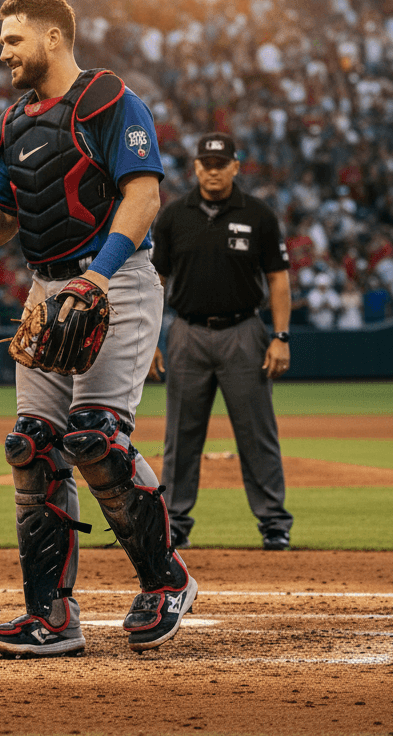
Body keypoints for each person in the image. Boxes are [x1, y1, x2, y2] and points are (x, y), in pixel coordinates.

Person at [0, 0, 196, 657]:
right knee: (31, 445)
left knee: (95, 437)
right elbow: (1, 225)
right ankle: (50, 614)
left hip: (113, 280)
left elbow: (143, 195)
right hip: (47, 289)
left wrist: (97, 277)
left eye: (13, 40)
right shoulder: (13, 123)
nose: (3, 52)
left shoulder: (110, 100)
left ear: (52, 38)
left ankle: (167, 581)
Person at [149, 133, 293, 551]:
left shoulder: (259, 214)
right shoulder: (173, 215)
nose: (213, 171)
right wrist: (150, 340)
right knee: (180, 436)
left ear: (235, 167)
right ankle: (175, 523)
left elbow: (278, 279)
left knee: (257, 434)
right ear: (196, 167)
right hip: (186, 332)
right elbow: (155, 281)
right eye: (206, 164)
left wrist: (281, 336)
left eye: (220, 164)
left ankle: (274, 523)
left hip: (243, 331)